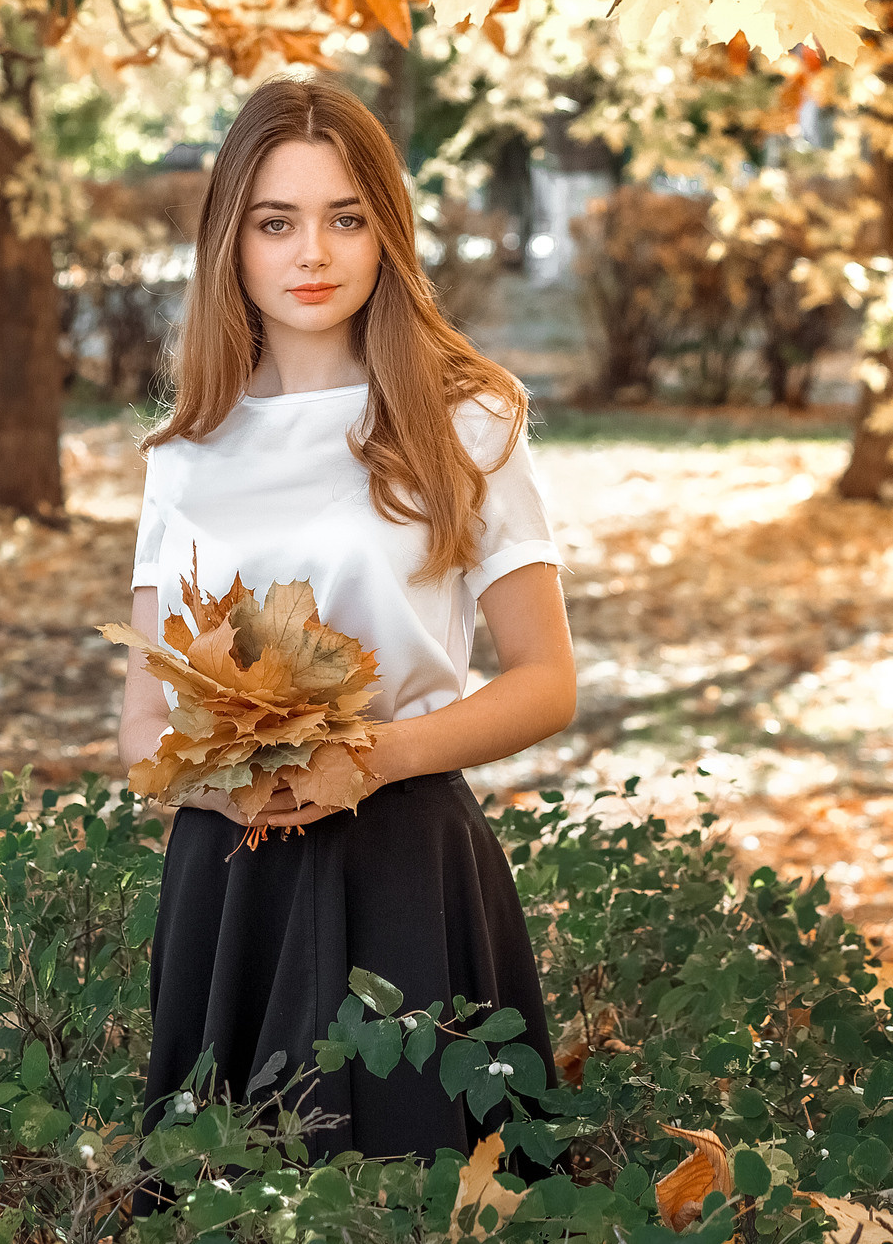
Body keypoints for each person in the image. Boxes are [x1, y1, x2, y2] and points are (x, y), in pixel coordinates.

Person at [120, 74, 575, 1171]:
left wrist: (375, 757)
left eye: (344, 218)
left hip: (405, 865)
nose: (310, 253)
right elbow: (142, 727)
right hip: (230, 882)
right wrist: (240, 787)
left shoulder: (467, 418)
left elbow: (546, 680)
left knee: (430, 1238)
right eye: (275, 223)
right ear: (232, 241)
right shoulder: (185, 451)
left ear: (386, 234)